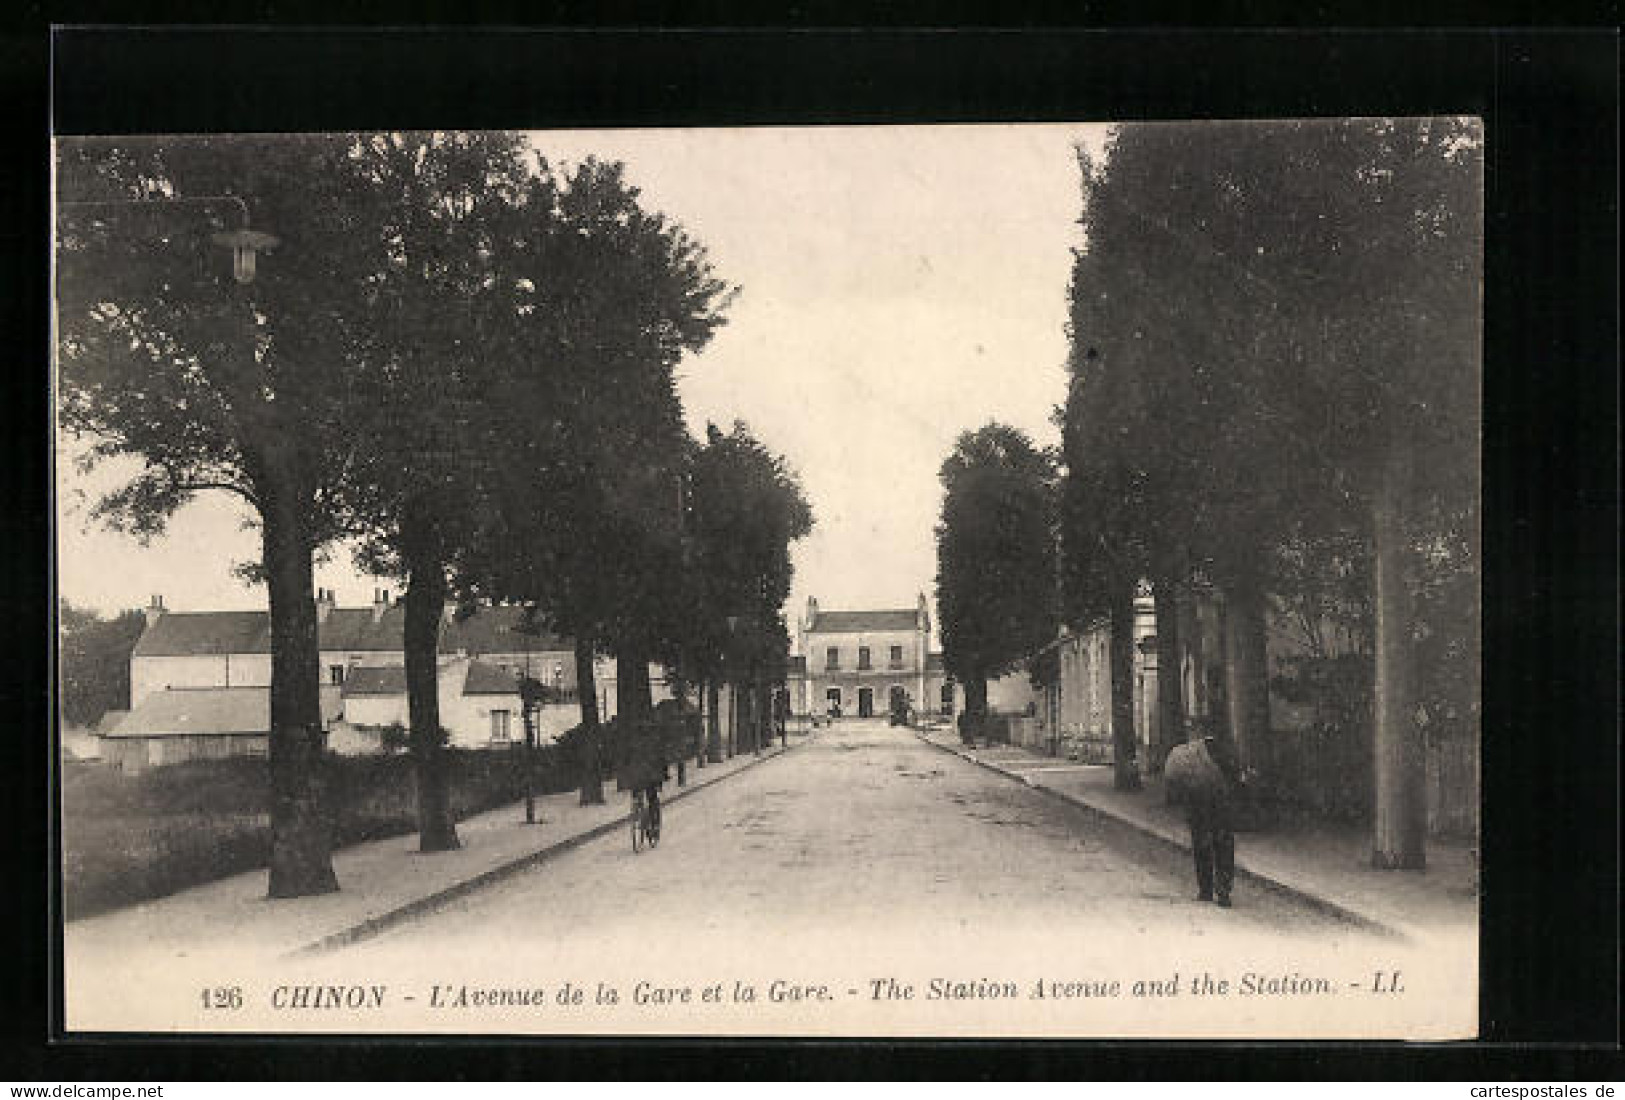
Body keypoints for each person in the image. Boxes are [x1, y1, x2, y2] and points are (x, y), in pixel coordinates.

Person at [1163, 731, 1241, 907]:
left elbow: (1173, 781)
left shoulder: (1187, 753)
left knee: (1201, 844)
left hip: (1196, 803)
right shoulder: (1226, 749)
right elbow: (1233, 777)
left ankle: (1205, 890)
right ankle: (1223, 891)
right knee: (1224, 845)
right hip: (1219, 803)